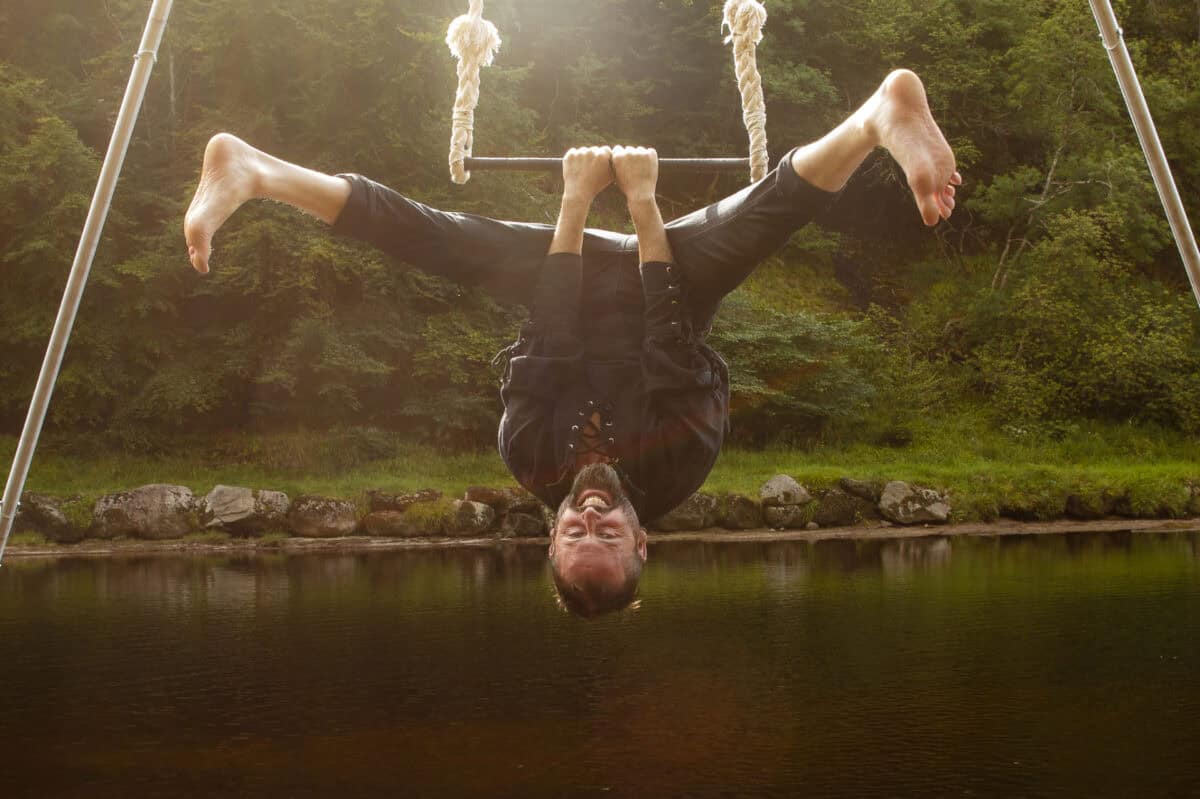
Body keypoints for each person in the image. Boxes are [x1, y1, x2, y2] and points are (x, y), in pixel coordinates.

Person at [185, 69, 960, 616]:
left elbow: (549, 330)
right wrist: (644, 202)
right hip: (673, 281)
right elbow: (669, 334)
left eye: (573, 530)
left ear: (550, 535)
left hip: (565, 275)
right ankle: (875, 116)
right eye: (606, 531)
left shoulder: (528, 456)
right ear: (643, 543)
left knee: (438, 240)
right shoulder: (681, 463)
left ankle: (256, 170)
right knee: (761, 223)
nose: (589, 513)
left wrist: (576, 200)